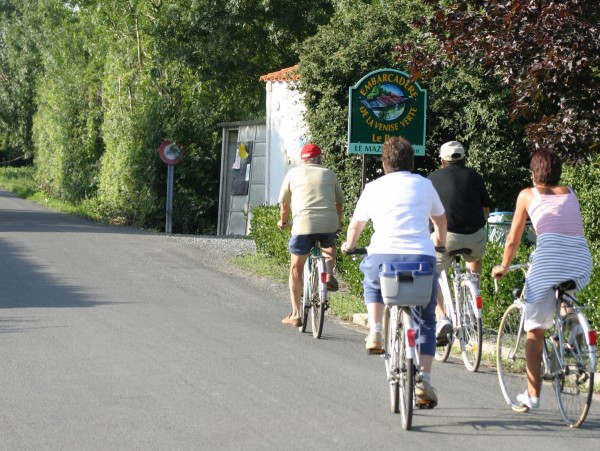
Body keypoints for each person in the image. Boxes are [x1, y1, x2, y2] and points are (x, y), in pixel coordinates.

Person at [341, 136, 447, 406]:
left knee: (371, 277)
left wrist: (347, 246)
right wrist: (440, 242)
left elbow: (356, 226)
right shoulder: (425, 185)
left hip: (383, 257)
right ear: (411, 162)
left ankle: (375, 329)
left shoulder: (373, 188)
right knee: (426, 320)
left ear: (384, 163)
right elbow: (440, 219)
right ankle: (424, 380)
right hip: (421, 258)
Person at [491, 149, 592, 410]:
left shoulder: (527, 195)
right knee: (565, 294)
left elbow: (513, 238)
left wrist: (504, 265)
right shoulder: (570, 192)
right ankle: (576, 326)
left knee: (534, 331)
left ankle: (533, 395)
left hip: (548, 260)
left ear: (534, 174)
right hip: (581, 260)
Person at [428, 141, 492, 341]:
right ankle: (472, 297)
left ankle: (442, 316)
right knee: (474, 258)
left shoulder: (432, 179)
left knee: (432, 271)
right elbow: (486, 211)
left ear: (442, 161)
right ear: (465, 159)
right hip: (474, 236)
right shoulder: (475, 177)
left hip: (446, 237)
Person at [277, 143, 344, 328]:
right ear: (319, 158)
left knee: (296, 269)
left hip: (302, 226)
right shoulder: (329, 173)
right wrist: (338, 223)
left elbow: (284, 205)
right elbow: (339, 203)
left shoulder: (292, 174)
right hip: (328, 223)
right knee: (329, 244)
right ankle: (329, 274)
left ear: (302, 159)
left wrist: (283, 222)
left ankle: (296, 314)